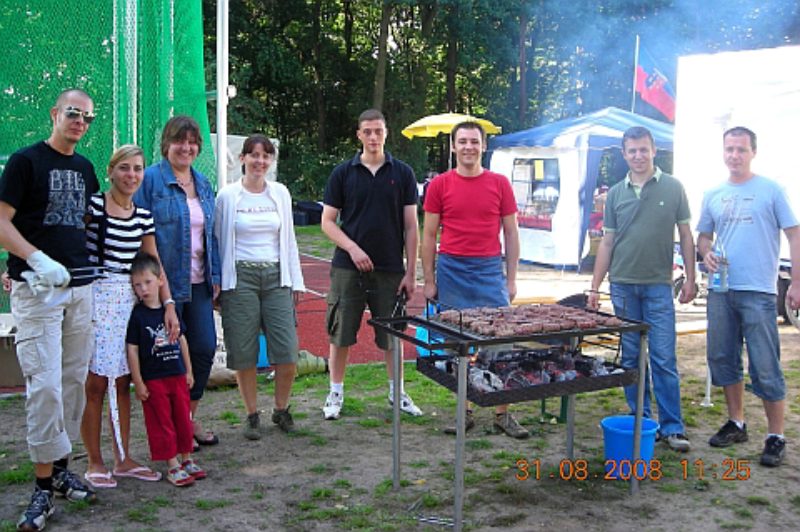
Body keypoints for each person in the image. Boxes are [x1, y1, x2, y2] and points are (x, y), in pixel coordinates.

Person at [0, 88, 100, 531]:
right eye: (73, 113)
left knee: (72, 383)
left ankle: (60, 470)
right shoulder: (25, 162)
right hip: (37, 292)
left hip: (80, 291)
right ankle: (41, 489)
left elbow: (89, 222)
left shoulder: (85, 168)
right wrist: (34, 260)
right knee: (45, 388)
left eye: (88, 118)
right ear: (55, 113)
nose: (80, 122)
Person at [588, 126, 696, 453]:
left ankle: (672, 427)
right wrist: (594, 286)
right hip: (622, 286)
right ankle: (640, 420)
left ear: (654, 151)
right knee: (632, 357)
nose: (638, 156)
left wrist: (691, 278)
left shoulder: (674, 187)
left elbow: (687, 236)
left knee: (663, 356)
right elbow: (607, 241)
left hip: (659, 286)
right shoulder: (615, 195)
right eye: (632, 151)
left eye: (643, 150)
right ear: (624, 154)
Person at [697, 126, 800, 467]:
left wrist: (796, 284)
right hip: (721, 290)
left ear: (753, 152)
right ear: (722, 152)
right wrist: (706, 253)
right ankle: (737, 422)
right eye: (729, 149)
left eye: (741, 150)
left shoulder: (771, 190)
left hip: (758, 290)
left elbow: (794, 235)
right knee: (722, 358)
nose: (734, 156)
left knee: (765, 365)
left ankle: (775, 435)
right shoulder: (713, 192)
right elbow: (703, 238)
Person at [79, 145, 179, 489]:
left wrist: (167, 304)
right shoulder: (93, 207)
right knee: (95, 382)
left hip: (128, 302)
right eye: (124, 168)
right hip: (95, 297)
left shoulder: (143, 216)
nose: (132, 175)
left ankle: (123, 458)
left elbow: (152, 263)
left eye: (138, 168)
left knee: (123, 381)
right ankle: (95, 460)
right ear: (110, 171)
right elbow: (66, 242)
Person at [421, 121, 527, 439]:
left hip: (489, 271)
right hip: (452, 270)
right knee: (457, 345)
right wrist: (428, 279)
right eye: (463, 141)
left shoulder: (500, 183)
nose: (469, 147)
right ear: (453, 146)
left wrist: (511, 278)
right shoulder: (439, 185)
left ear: (483, 146)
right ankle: (463, 412)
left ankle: (502, 413)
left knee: (502, 342)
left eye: (474, 141)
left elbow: (511, 233)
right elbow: (428, 235)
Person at [320, 109, 421, 420]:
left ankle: (397, 392)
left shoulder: (403, 173)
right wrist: (352, 248)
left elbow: (411, 226)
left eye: (378, 131)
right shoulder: (342, 173)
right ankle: (335, 393)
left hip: (390, 268)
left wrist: (410, 271)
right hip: (348, 268)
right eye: (368, 131)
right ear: (359, 135)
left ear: (386, 133)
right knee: (341, 332)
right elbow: (327, 222)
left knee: (393, 334)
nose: (373, 137)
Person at [133, 115, 221, 450]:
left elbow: (209, 236)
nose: (186, 147)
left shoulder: (202, 182)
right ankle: (170, 428)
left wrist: (214, 278)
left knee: (203, 349)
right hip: (161, 287)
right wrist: (148, 284)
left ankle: (187, 417)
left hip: (198, 284)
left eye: (192, 142)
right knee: (165, 357)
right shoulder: (151, 180)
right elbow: (139, 232)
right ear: (166, 144)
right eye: (178, 141)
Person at [214, 134, 305, 439]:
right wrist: (219, 282)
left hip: (276, 276)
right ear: (242, 159)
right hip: (240, 278)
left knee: (287, 350)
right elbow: (217, 241)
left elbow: (289, 239)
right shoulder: (227, 196)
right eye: (253, 155)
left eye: (265, 156)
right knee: (244, 350)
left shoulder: (280, 193)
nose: (259, 161)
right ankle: (252, 414)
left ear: (271, 161)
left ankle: (281, 409)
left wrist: (295, 280)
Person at [126, 252, 205, 486]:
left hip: (176, 375)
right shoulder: (137, 316)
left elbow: (182, 340)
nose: (143, 289)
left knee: (182, 417)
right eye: (137, 285)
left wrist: (188, 370)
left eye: (148, 282)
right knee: (162, 421)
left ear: (160, 280)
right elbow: (132, 349)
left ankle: (187, 458)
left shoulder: (170, 312)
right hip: (154, 379)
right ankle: (172, 464)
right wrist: (138, 381)